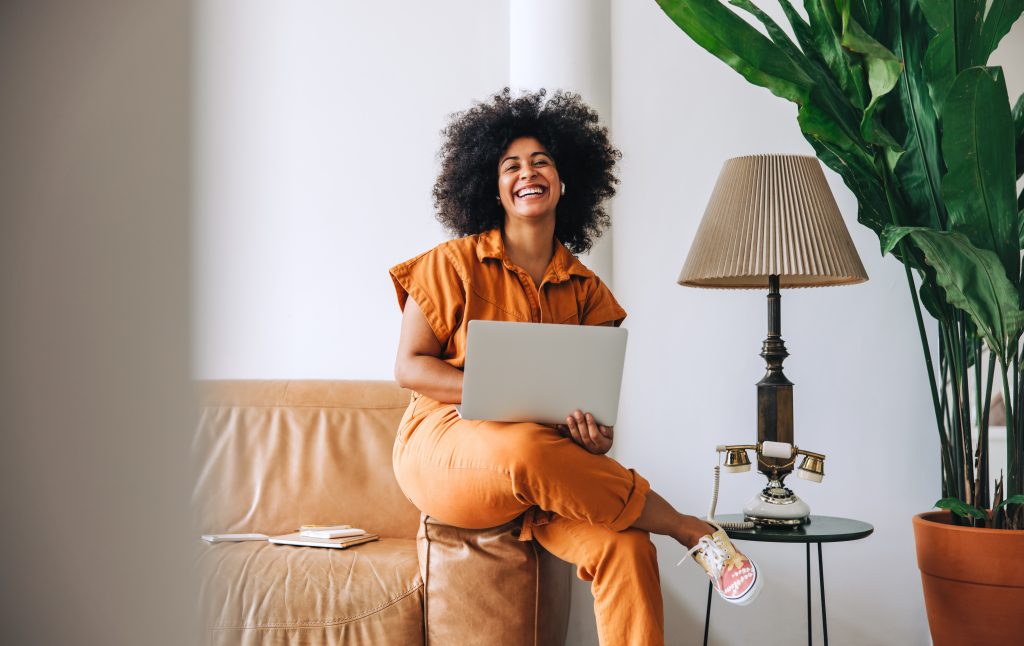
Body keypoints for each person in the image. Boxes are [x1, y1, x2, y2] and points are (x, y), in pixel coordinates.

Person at [389, 89, 760, 646]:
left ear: (565, 180)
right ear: (491, 185)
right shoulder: (452, 263)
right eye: (510, 164)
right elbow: (409, 367)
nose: (527, 173)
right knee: (524, 448)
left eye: (542, 161)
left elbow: (591, 426)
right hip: (446, 449)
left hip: (546, 471)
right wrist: (494, 395)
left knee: (629, 546)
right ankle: (691, 528)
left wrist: (592, 440)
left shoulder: (589, 293)